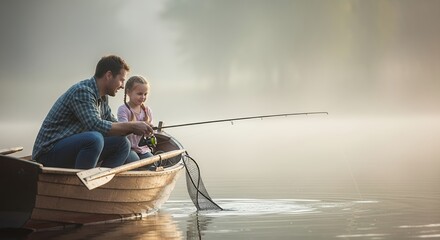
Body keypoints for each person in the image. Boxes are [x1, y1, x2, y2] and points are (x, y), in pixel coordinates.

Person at [32, 55, 153, 169]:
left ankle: (102, 182)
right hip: (47, 155)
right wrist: (132, 126)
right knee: (94, 138)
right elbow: (96, 125)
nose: (122, 86)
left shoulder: (102, 97)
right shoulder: (83, 92)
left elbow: (112, 123)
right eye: (121, 80)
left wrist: (139, 127)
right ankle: (82, 186)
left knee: (122, 143)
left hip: (70, 149)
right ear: (109, 75)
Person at [117, 76, 154, 164]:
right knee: (134, 160)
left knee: (151, 159)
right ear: (128, 92)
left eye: (145, 94)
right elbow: (122, 128)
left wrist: (150, 130)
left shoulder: (147, 110)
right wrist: (135, 126)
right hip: (128, 148)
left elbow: (150, 134)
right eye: (139, 94)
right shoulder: (123, 109)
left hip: (142, 148)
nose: (143, 97)